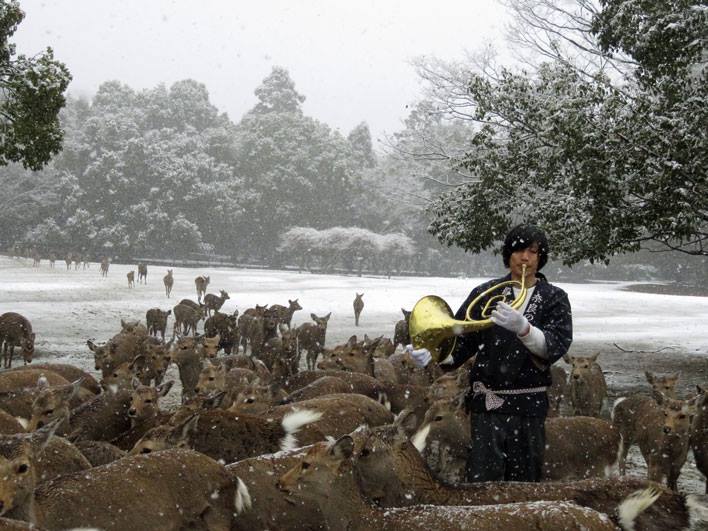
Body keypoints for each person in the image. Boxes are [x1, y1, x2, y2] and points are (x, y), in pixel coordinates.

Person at [407, 224, 572, 482]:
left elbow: (557, 344)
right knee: (483, 482)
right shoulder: (485, 294)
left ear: (541, 258)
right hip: (486, 407)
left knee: (525, 484)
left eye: (533, 252)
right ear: (508, 255)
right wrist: (434, 355)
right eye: (518, 250)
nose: (525, 257)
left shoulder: (555, 298)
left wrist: (524, 328)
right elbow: (460, 342)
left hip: (529, 407)